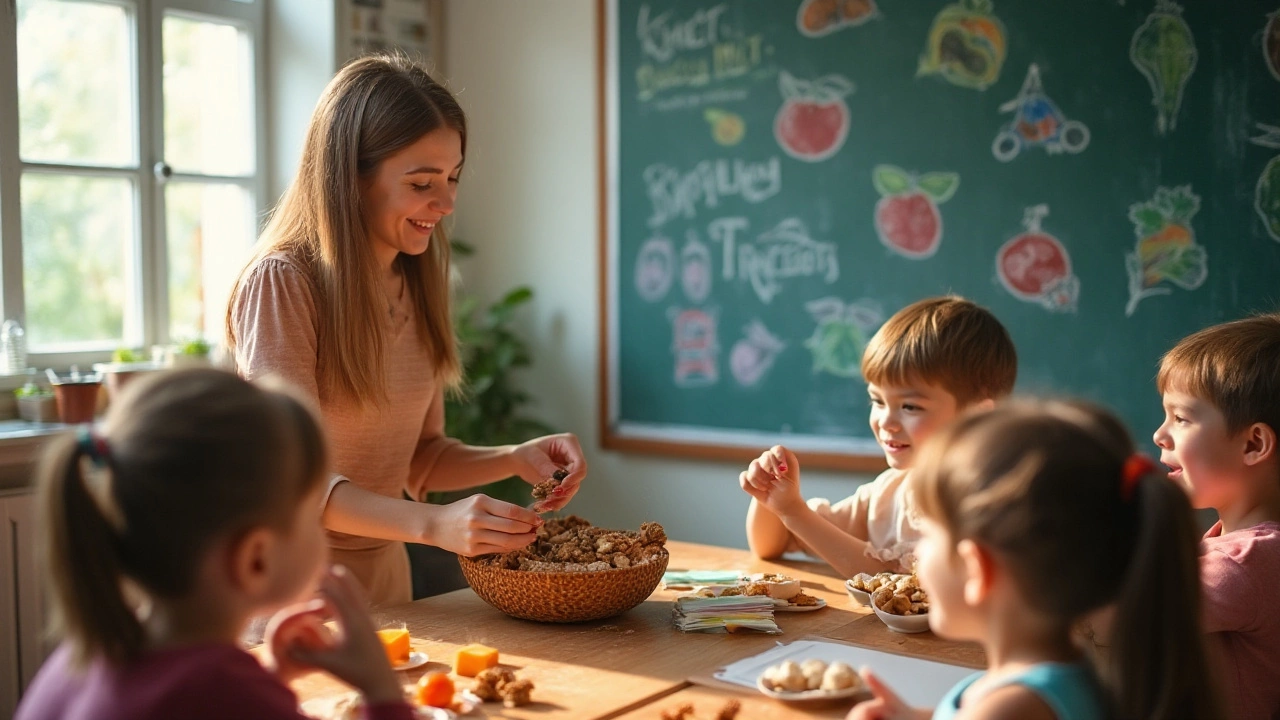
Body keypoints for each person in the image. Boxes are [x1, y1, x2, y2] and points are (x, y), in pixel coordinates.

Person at [227, 54, 587, 605]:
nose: (445, 203)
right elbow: (288, 482)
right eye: (422, 182)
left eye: (452, 178)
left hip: (386, 582)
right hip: (293, 589)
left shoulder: (415, 281)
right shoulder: (282, 283)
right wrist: (435, 525)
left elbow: (420, 457)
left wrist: (515, 457)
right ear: (350, 178)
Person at [16, 369, 415, 720]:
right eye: (312, 512)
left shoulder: (86, 655)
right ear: (255, 558)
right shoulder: (222, 693)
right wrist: (381, 690)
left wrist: (269, 680)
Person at [849, 401, 1222, 720]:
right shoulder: (1051, 679)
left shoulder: (1012, 708)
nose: (917, 554)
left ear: (977, 569)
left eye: (927, 535)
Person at [741, 296, 1016, 577]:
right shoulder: (889, 491)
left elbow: (899, 583)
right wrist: (772, 497)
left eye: (910, 406)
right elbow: (774, 546)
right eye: (878, 401)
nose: (886, 421)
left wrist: (794, 513)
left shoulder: (991, 502)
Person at [1152, 313, 1280, 720]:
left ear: (1253, 443)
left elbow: (1124, 614)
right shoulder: (1241, 547)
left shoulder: (1243, 562)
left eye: (1181, 418)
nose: (1160, 434)